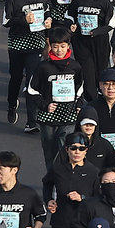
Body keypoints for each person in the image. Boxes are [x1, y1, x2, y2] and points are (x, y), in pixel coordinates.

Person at [45, 131, 103, 228]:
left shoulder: (93, 172)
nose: (77, 152)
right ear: (66, 149)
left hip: (84, 226)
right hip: (61, 223)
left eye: (81, 148)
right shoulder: (57, 168)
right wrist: (49, 199)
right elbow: (47, 183)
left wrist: (82, 198)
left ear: (86, 151)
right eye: (73, 148)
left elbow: (99, 199)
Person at [29, 27, 87, 167]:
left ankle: (63, 183)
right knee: (50, 153)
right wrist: (44, 105)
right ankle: (51, 181)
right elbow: (31, 90)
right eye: (55, 46)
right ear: (51, 46)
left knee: (65, 150)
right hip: (48, 118)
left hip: (68, 116)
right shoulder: (43, 67)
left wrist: (79, 105)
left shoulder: (75, 66)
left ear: (68, 45)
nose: (59, 50)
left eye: (62, 46)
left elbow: (80, 88)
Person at [4, 0, 52, 129]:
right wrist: (24, 21)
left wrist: (48, 22)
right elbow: (6, 21)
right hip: (17, 45)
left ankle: (32, 121)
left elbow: (47, 12)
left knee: (32, 82)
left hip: (36, 45)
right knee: (16, 78)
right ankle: (11, 104)